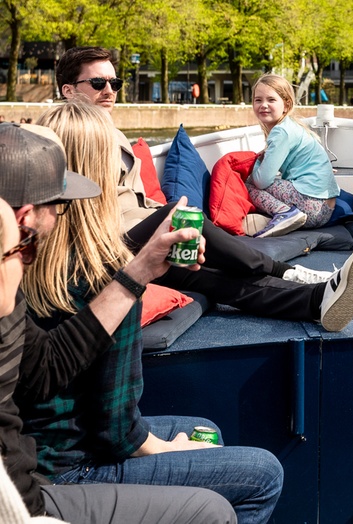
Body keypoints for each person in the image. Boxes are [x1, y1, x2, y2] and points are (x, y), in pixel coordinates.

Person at [19, 105, 283, 523]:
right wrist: (168, 448)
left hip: (37, 453)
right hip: (73, 469)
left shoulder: (20, 263)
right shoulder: (109, 275)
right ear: (104, 176)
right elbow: (116, 433)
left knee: (205, 430)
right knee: (263, 474)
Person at [55, 46, 353, 332]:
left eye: (115, 82)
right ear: (69, 90)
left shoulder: (112, 131)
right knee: (179, 215)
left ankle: (315, 300)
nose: (110, 90)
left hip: (138, 238)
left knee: (206, 277)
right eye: (98, 83)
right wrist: (169, 220)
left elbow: (138, 200)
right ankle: (288, 271)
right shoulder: (64, 136)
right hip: (109, 244)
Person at [247, 74, 339, 238]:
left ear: (286, 104)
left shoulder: (281, 131)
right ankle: (283, 215)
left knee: (248, 183)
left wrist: (255, 163)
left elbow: (262, 181)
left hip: (310, 206)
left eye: (271, 100)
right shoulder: (293, 126)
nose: (263, 105)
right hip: (325, 210)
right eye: (258, 100)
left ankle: (284, 213)